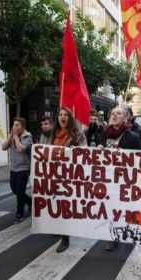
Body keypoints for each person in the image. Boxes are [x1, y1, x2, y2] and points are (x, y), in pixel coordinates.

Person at [102, 106, 141, 250]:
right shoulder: (105, 134)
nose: (114, 115)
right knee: (109, 207)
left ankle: (118, 234)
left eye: (118, 113)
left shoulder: (133, 136)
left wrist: (125, 156)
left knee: (120, 208)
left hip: (124, 180)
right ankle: (111, 235)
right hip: (107, 179)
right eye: (112, 113)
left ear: (125, 118)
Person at [50, 107, 87, 253]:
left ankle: (65, 239)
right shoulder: (54, 133)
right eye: (60, 114)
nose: (62, 117)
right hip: (55, 175)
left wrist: (74, 149)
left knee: (65, 206)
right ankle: (59, 228)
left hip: (70, 176)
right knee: (56, 204)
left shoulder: (76, 133)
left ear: (69, 118)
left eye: (65, 115)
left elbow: (85, 149)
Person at [2, 117, 33, 222]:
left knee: (20, 192)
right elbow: (3, 147)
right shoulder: (12, 137)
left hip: (24, 169)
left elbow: (20, 149)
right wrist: (11, 136)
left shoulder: (27, 137)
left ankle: (20, 213)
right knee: (15, 190)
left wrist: (15, 137)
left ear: (23, 127)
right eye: (14, 125)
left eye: (17, 125)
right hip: (14, 169)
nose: (14, 127)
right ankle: (31, 202)